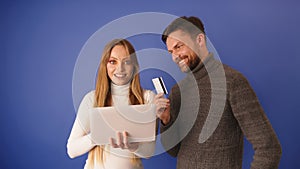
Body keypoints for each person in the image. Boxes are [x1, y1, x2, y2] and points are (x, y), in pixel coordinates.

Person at [154, 16, 282, 169]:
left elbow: (269, 148)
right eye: (170, 51)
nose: (174, 56)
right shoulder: (177, 92)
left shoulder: (232, 82)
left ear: (199, 40)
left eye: (179, 46)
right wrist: (166, 121)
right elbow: (173, 151)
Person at [67, 39, 156, 169]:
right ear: (105, 65)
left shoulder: (147, 98)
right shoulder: (92, 99)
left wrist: (133, 146)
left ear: (134, 66)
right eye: (113, 61)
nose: (120, 68)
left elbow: (149, 152)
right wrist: (100, 132)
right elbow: (72, 150)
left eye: (127, 62)